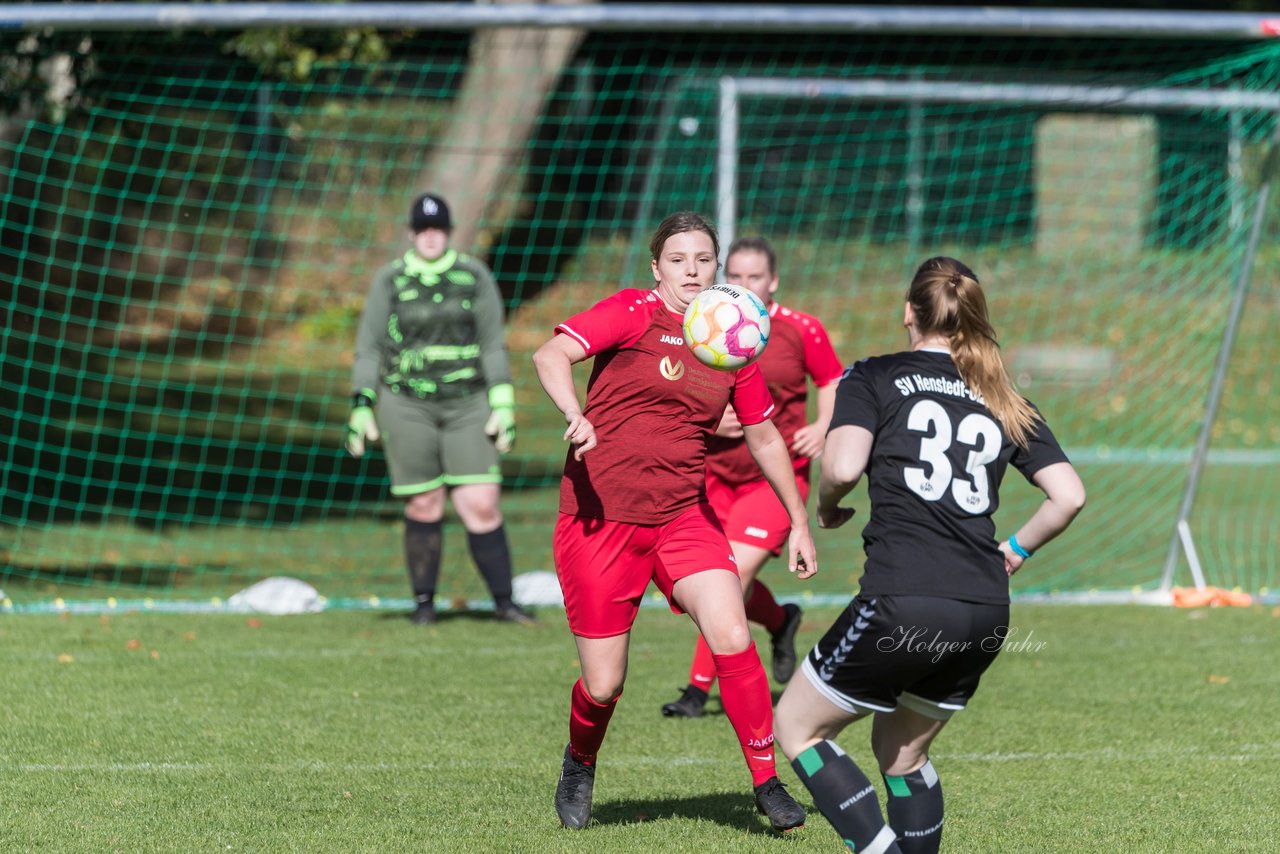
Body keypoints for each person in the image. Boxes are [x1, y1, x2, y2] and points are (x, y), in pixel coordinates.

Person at [773, 256, 1086, 854]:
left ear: (909, 312)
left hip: (906, 600)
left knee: (796, 727)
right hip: (986, 608)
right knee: (902, 751)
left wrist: (828, 505)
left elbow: (841, 465)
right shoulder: (999, 393)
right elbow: (1069, 495)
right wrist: (1015, 549)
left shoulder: (876, 374)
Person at [531, 211, 818, 833]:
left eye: (704, 259)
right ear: (657, 267)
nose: (693, 270)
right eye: (680, 259)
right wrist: (573, 413)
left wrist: (799, 520)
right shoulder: (632, 312)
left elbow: (765, 436)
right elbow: (550, 354)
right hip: (599, 519)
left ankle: (767, 783)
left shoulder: (733, 337)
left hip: (683, 515)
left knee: (733, 635)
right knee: (604, 684)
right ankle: (580, 763)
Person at [662, 236, 844, 719]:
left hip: (773, 482)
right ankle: (782, 620)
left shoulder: (799, 329)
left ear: (773, 281)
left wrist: (822, 426)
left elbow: (831, 379)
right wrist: (705, 418)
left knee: (731, 574)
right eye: (735, 276)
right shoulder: (701, 325)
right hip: (710, 478)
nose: (744, 286)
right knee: (708, 583)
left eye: (755, 277)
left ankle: (697, 691)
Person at [345, 192, 535, 626]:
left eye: (439, 229)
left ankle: (505, 603)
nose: (431, 236)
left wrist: (502, 403)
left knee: (481, 502)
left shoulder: (473, 276)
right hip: (406, 404)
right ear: (412, 233)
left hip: (468, 403)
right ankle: (424, 606)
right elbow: (369, 347)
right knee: (424, 503)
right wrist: (361, 405)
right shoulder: (390, 281)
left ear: (449, 233)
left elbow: (492, 342)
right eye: (423, 229)